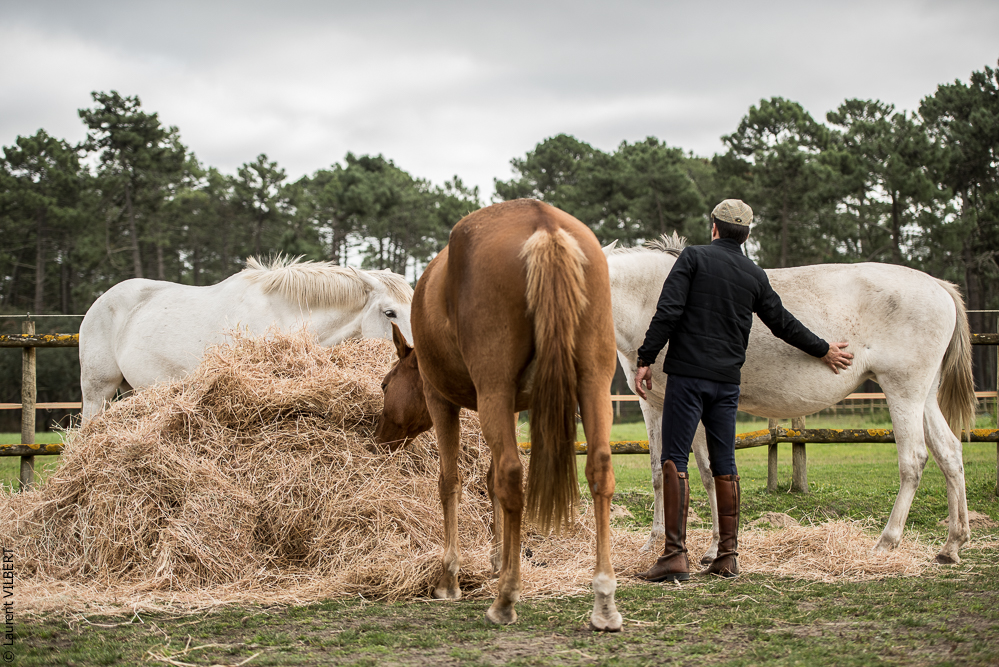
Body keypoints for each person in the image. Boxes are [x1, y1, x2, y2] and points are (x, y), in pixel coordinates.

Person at [634, 199, 853, 582]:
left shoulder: (693, 259)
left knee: (674, 459)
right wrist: (824, 349)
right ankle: (728, 556)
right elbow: (783, 323)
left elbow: (668, 311)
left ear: (714, 227)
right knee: (726, 465)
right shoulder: (754, 274)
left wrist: (645, 359)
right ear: (747, 235)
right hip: (726, 384)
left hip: (687, 377)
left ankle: (674, 556)